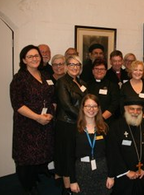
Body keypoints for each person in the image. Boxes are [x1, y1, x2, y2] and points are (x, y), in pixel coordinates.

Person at [10, 45, 55, 194]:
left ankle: (34, 180)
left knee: (39, 154)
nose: (34, 59)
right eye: (30, 56)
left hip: (44, 123)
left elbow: (52, 98)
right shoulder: (19, 79)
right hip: (27, 125)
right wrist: (37, 117)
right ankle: (27, 187)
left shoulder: (46, 76)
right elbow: (17, 104)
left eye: (36, 56)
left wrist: (51, 114)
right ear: (24, 60)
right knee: (26, 157)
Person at [54, 55, 88, 195]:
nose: (75, 67)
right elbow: (67, 106)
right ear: (67, 66)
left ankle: (75, 182)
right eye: (72, 64)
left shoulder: (81, 82)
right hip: (67, 124)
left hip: (78, 123)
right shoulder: (62, 82)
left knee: (76, 154)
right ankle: (67, 188)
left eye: (77, 65)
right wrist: (84, 119)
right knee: (67, 155)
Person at [107, 98, 144, 195]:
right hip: (124, 176)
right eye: (132, 109)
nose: (135, 112)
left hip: (142, 174)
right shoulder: (116, 126)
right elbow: (113, 152)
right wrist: (126, 172)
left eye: (138, 109)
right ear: (125, 108)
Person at [69, 94, 114, 195]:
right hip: (81, 172)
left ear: (98, 109)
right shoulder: (74, 129)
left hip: (102, 170)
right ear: (82, 108)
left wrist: (111, 176)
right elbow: (69, 157)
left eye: (94, 106)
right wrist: (72, 181)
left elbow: (111, 154)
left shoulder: (104, 128)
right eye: (88, 106)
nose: (91, 109)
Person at [87, 58, 120, 124]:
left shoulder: (112, 86)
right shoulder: (87, 85)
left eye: (102, 69)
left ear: (105, 71)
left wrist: (101, 118)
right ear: (93, 71)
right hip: (89, 120)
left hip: (107, 121)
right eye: (96, 69)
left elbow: (114, 105)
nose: (99, 71)